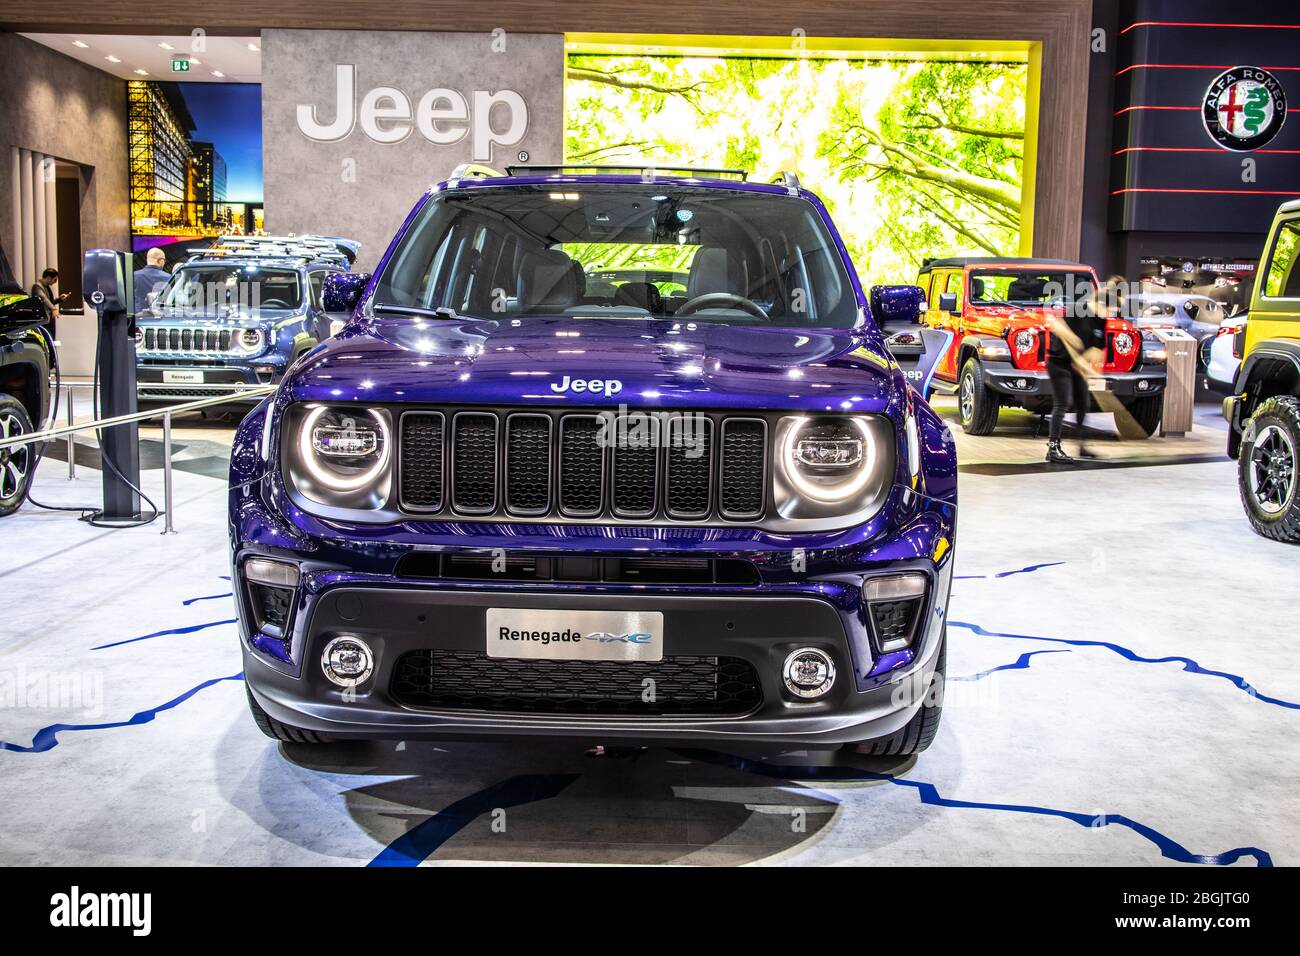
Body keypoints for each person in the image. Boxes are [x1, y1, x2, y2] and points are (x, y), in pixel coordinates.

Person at [1044, 278, 1108, 464]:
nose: (1110, 313)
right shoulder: (1078, 310)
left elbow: (1097, 351)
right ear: (1099, 303)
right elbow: (1056, 325)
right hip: (1059, 362)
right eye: (1109, 309)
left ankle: (1082, 445)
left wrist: (1088, 367)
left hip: (1075, 365)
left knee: (1083, 403)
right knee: (1063, 403)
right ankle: (1053, 448)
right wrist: (1074, 342)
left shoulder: (1101, 321)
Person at [133, 247, 171, 314]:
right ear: (160, 260)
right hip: (160, 316)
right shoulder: (169, 277)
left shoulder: (134, 275)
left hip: (138, 316)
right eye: (164, 260)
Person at [31, 267, 66, 337]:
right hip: (43, 321)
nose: (55, 282)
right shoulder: (37, 287)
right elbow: (43, 299)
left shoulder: (46, 287)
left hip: (48, 320)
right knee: (47, 338)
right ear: (49, 278)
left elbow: (49, 301)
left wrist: (59, 299)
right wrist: (54, 309)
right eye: (55, 279)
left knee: (51, 337)